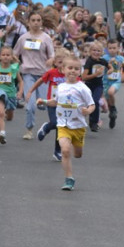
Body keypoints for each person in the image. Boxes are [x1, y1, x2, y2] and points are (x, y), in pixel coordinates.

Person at [35, 54, 95, 191]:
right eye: (70, 68)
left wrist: (88, 111)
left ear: (80, 71)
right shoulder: (61, 87)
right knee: (66, 150)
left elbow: (92, 105)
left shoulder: (83, 88)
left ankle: (77, 148)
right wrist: (44, 101)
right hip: (63, 125)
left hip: (78, 126)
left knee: (78, 154)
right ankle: (69, 178)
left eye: (76, 68)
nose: (73, 71)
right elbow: (56, 101)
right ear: (63, 70)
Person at [13, 10, 55, 139]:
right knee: (30, 105)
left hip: (43, 75)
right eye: (33, 20)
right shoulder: (23, 38)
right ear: (28, 22)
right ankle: (29, 129)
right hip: (28, 74)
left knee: (42, 104)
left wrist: (50, 60)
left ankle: (57, 123)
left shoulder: (46, 38)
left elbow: (52, 55)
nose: (36, 23)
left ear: (42, 22)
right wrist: (18, 61)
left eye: (38, 20)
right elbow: (15, 53)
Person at [27, 48, 68, 162]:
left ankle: (57, 151)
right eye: (60, 63)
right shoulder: (51, 73)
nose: (62, 66)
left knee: (61, 128)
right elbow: (40, 81)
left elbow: (78, 85)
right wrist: (31, 90)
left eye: (64, 63)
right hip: (52, 102)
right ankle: (46, 127)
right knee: (55, 123)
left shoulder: (70, 74)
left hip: (65, 104)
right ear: (55, 63)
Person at [81, 39, 107, 133]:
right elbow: (84, 77)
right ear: (90, 51)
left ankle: (94, 123)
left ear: (102, 52)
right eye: (94, 50)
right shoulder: (89, 62)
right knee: (87, 103)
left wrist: (110, 71)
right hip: (89, 85)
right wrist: (96, 74)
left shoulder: (103, 61)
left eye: (98, 50)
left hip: (98, 85)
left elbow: (110, 68)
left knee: (95, 101)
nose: (96, 52)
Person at [101, 40, 124, 129]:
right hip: (106, 81)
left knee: (111, 92)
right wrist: (108, 64)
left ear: (118, 48)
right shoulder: (104, 58)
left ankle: (113, 109)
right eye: (110, 48)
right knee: (108, 99)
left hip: (116, 81)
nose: (112, 50)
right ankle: (112, 114)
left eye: (114, 48)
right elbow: (100, 68)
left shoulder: (120, 58)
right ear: (107, 49)